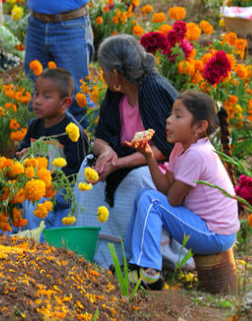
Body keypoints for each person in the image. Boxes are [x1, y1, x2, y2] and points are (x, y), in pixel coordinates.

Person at [73, 34, 181, 269]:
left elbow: (164, 147)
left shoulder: (153, 89)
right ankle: (94, 253)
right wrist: (106, 154)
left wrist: (119, 164)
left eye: (102, 70)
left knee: (137, 180)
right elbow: (101, 135)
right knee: (88, 171)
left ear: (115, 74)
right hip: (123, 156)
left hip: (155, 164)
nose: (101, 75)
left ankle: (136, 255)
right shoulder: (116, 93)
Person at [124, 91, 239, 289]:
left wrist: (160, 197)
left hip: (215, 234)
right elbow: (166, 186)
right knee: (145, 195)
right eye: (171, 114)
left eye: (178, 116)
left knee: (150, 200)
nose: (168, 120)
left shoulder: (197, 154)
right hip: (205, 227)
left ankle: (149, 271)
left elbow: (173, 200)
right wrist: (149, 156)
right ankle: (135, 264)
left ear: (199, 127)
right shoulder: (181, 148)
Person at [17, 68, 89, 230]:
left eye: (46, 96)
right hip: (36, 185)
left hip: (62, 191)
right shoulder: (35, 126)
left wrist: (50, 182)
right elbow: (21, 151)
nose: (38, 101)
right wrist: (22, 155)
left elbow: (76, 175)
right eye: (36, 94)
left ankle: (38, 246)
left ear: (65, 103)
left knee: (36, 203)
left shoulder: (73, 133)